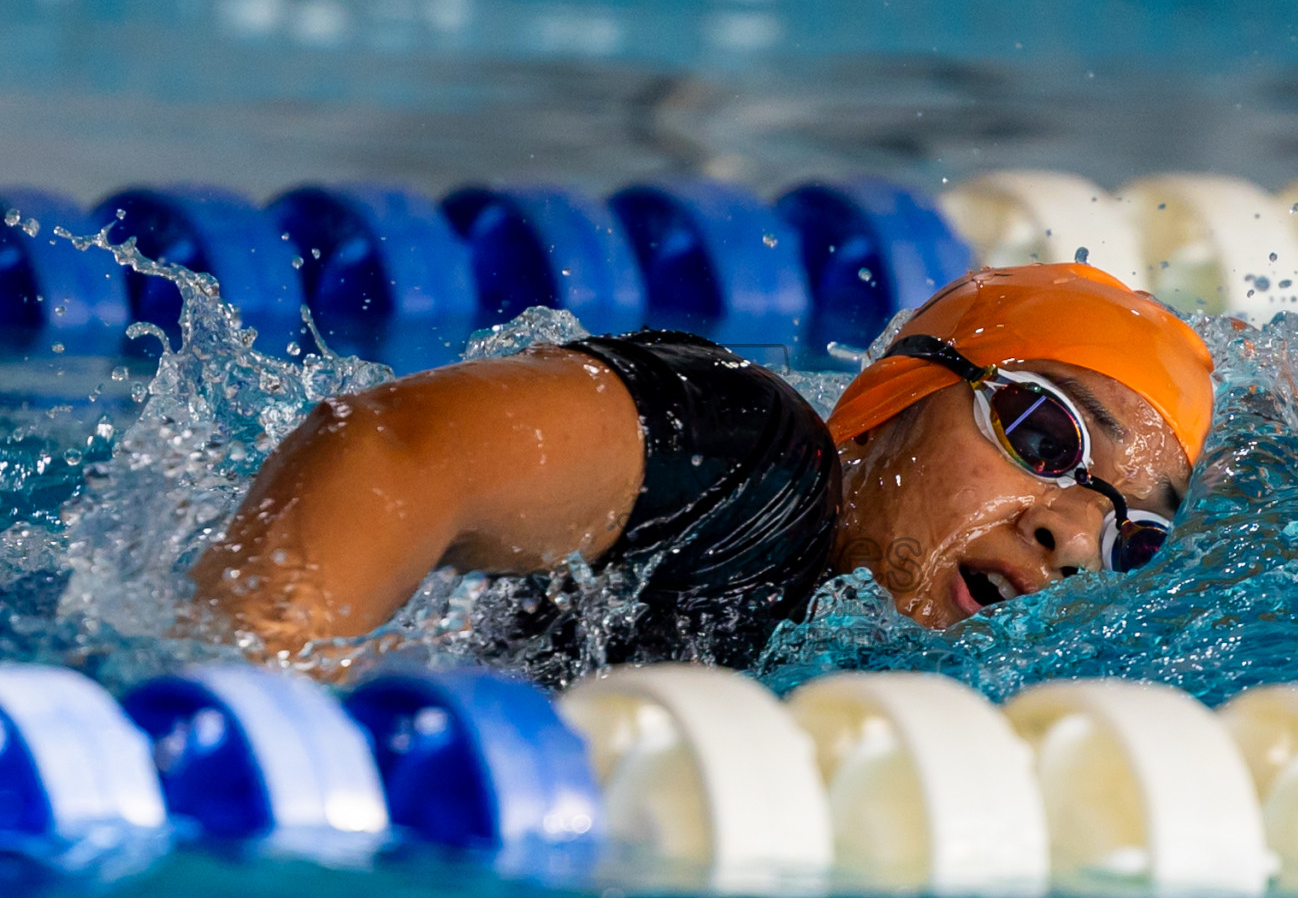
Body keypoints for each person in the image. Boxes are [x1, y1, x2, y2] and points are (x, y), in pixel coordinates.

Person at [192, 262, 1214, 684]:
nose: (1074, 537)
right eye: (1044, 437)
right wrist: (262, 706)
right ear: (898, 396)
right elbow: (392, 448)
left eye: (1131, 534)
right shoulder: (749, 460)